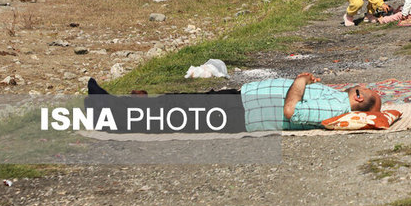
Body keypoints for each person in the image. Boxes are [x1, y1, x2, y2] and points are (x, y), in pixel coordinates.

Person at [86, 73, 381, 132]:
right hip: (245, 100)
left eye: (366, 90)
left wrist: (301, 82)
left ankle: (108, 114)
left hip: (244, 112)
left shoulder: (335, 108)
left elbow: (291, 110)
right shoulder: (336, 98)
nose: (363, 85)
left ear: (358, 99)